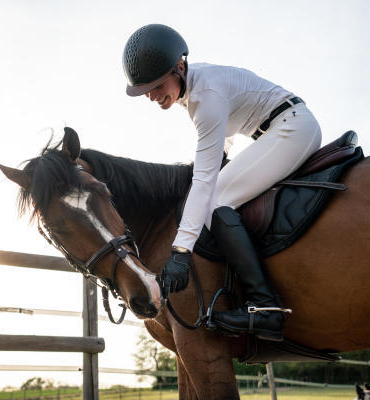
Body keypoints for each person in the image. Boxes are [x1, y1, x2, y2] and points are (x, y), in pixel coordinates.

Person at [122, 24, 322, 341]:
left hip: (291, 130)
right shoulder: (194, 88)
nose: (151, 96)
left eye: (157, 85)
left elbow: (204, 180)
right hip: (279, 129)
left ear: (180, 67)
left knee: (216, 201)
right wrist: (222, 153)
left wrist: (181, 251)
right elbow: (224, 131)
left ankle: (265, 307)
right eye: (145, 90)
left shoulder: (205, 96)